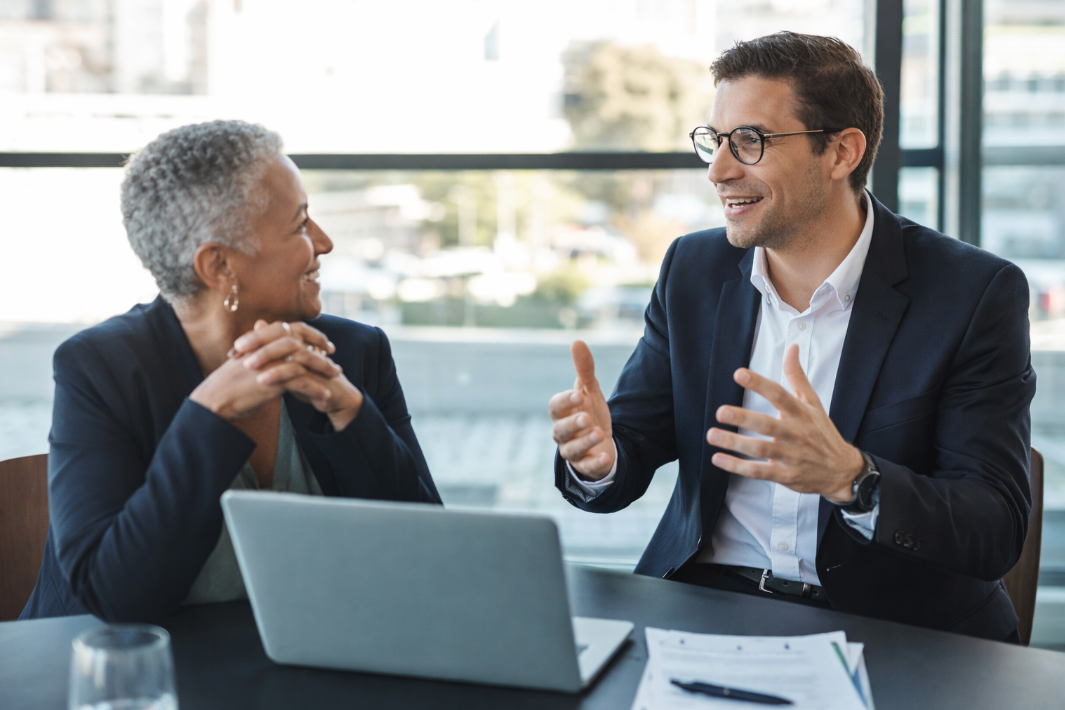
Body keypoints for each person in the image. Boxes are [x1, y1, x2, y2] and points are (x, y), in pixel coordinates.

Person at [549, 32, 1034, 642]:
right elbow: (635, 439)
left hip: (891, 625)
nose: (720, 170)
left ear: (841, 153)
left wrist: (852, 479)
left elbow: (994, 528)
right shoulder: (693, 271)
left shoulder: (972, 293)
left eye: (750, 142)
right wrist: (600, 456)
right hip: (705, 605)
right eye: (715, 141)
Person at [21, 120, 440, 622]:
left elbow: (430, 555)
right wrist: (210, 414)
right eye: (301, 224)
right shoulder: (101, 368)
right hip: (133, 680)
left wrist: (351, 413)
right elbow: (115, 599)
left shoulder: (353, 350)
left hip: (305, 668)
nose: (324, 243)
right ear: (219, 266)